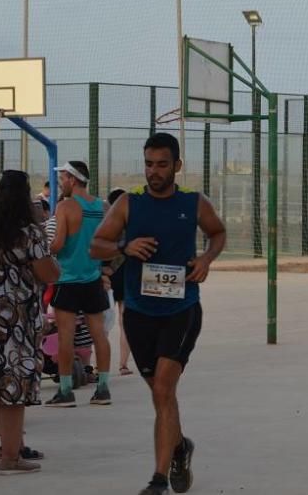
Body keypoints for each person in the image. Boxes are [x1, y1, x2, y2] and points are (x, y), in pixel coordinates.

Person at [90, 132, 227, 495]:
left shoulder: (194, 202)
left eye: (162, 164)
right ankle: (180, 447)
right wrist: (125, 245)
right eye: (149, 164)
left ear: (177, 166)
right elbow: (96, 246)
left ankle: (158, 479)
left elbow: (217, 233)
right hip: (138, 312)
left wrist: (205, 260)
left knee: (165, 389)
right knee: (160, 395)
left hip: (181, 309)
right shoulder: (128, 205)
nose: (154, 171)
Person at [0, 170, 59, 475]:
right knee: (12, 386)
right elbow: (47, 273)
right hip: (14, 316)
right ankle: (10, 457)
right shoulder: (28, 232)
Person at [46, 161, 112, 407]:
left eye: (63, 177)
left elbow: (59, 243)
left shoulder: (66, 206)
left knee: (66, 336)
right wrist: (107, 267)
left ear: (72, 179)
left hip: (68, 279)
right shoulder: (102, 206)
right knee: (99, 335)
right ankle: (103, 388)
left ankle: (65, 391)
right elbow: (111, 241)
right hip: (92, 278)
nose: (61, 182)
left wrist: (43, 251)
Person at [106, 187, 133, 376]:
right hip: (126, 276)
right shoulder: (133, 225)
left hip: (107, 277)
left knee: (103, 323)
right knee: (126, 322)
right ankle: (123, 364)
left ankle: (102, 366)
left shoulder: (106, 225)